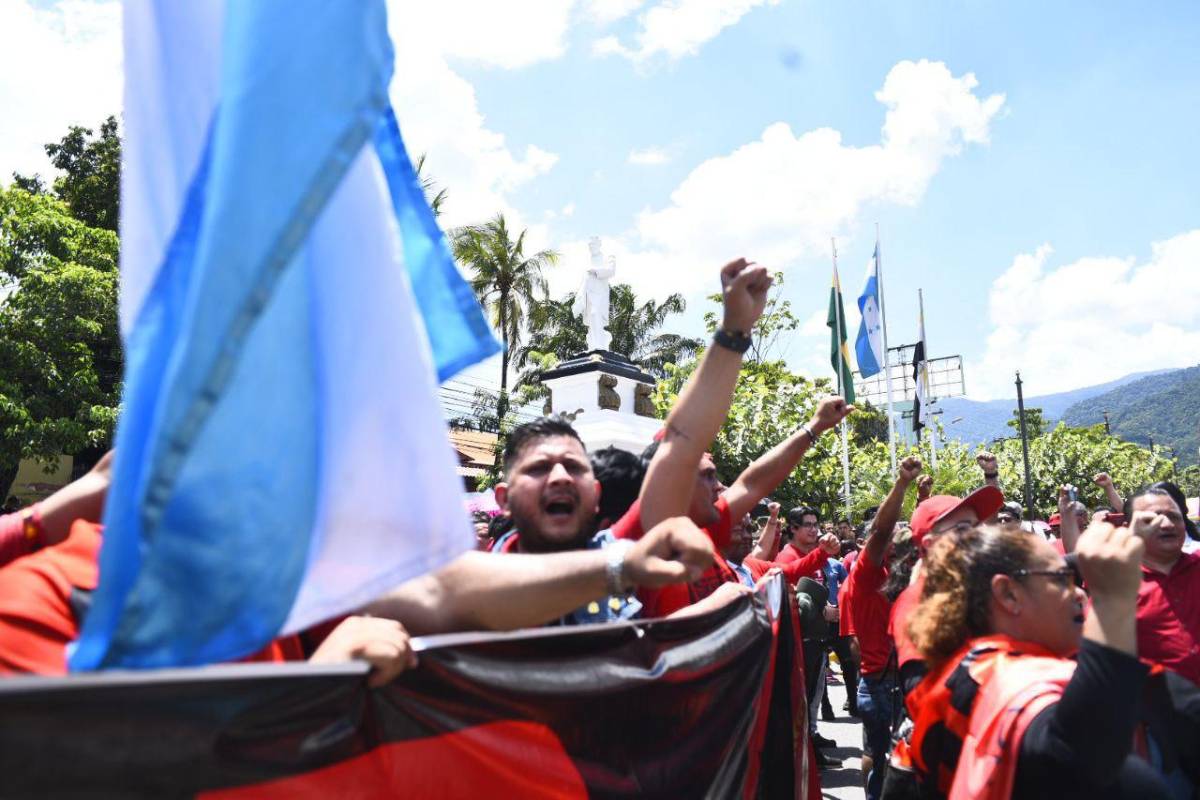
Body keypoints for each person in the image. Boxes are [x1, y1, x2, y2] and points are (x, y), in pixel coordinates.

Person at [893, 522, 1170, 799]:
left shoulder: (982, 664)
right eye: (1062, 578)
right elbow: (1082, 756)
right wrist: (1112, 601)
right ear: (1009, 594)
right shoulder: (997, 679)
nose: (1079, 593)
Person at [1125, 482, 1200, 685]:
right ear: (1130, 528)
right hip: (1158, 713)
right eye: (1152, 519)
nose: (1166, 524)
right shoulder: (1116, 587)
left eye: (1174, 517)